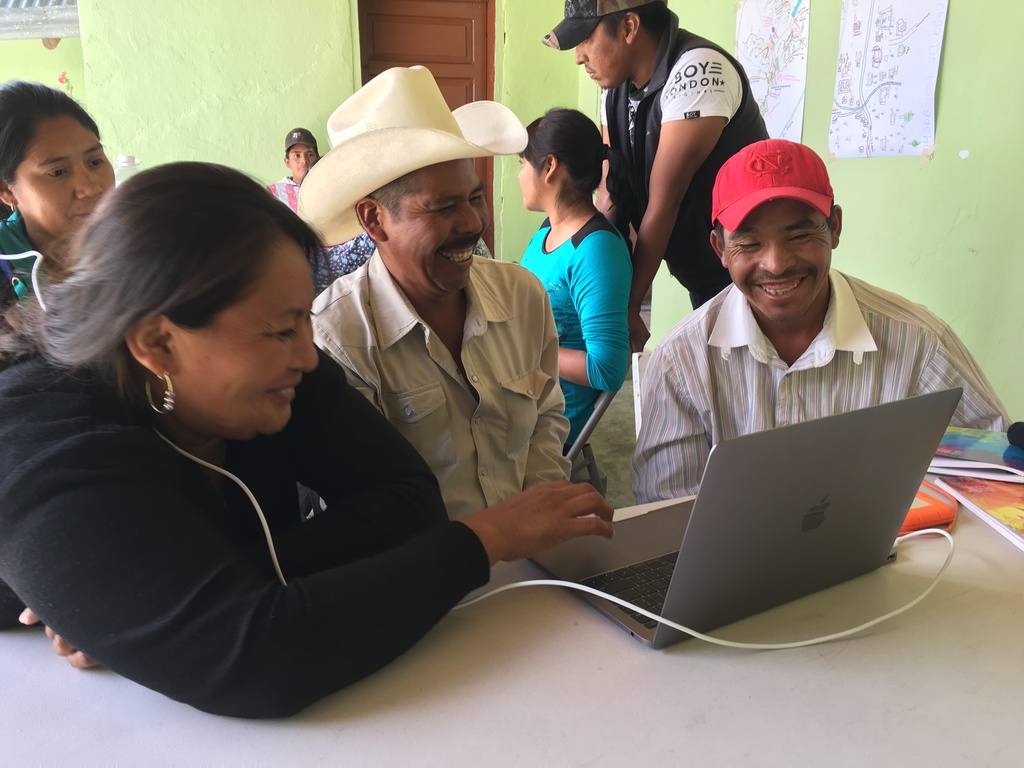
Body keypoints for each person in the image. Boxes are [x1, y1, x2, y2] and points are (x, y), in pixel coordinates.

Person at [0, 162, 614, 717]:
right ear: (158, 344)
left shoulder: (274, 371)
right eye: (279, 332)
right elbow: (261, 657)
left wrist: (169, 596)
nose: (307, 354)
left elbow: (408, 502)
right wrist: (483, 540)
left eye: (303, 321)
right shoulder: (40, 443)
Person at [632, 139, 1010, 502]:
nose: (776, 264)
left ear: (835, 228)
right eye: (749, 243)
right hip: (729, 568)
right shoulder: (680, 362)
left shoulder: (920, 344)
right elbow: (668, 515)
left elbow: (997, 466)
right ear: (720, 249)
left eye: (799, 235)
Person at [304, 66, 572, 520]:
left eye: (474, 197)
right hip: (421, 581)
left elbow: (546, 416)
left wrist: (534, 524)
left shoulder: (523, 297)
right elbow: (367, 509)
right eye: (444, 207)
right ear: (373, 219)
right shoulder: (337, 339)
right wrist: (493, 540)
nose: (472, 223)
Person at [544, 0, 769, 351]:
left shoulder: (699, 72)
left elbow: (665, 201)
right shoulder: (614, 88)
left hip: (747, 271)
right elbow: (611, 189)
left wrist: (630, 305)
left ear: (629, 27)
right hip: (700, 264)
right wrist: (603, 279)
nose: (578, 56)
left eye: (586, 38)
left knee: (747, 381)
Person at [518, 108, 632, 450]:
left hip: (549, 417)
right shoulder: (547, 231)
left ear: (549, 167)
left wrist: (526, 349)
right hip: (523, 392)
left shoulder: (596, 249)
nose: (519, 176)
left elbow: (606, 369)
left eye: (521, 164)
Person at [0, 80, 114, 303]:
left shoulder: (139, 242)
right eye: (58, 172)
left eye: (95, 162)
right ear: (7, 190)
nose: (91, 188)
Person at [266, 127, 318, 212]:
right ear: (287, 162)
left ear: (317, 158)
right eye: (297, 155)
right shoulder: (273, 193)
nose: (304, 161)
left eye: (310, 155)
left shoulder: (329, 184)